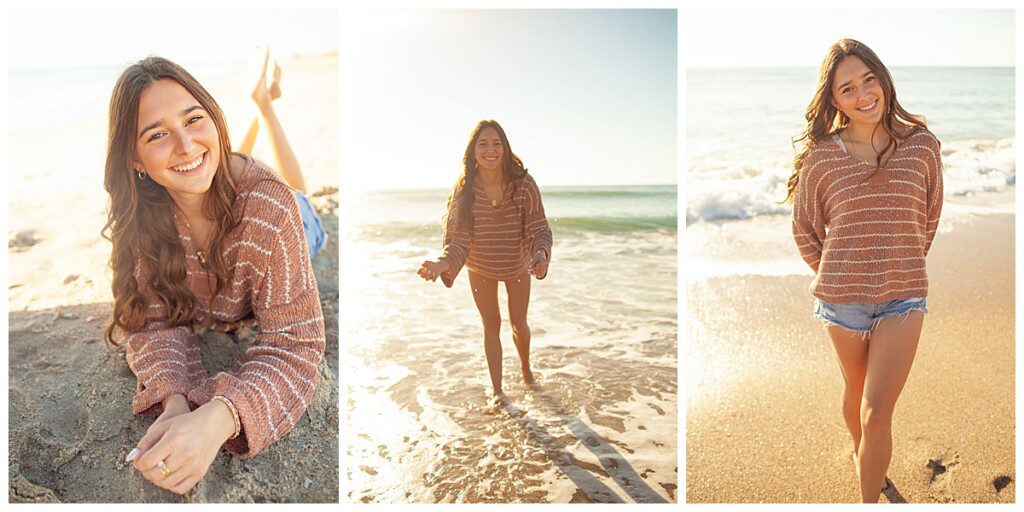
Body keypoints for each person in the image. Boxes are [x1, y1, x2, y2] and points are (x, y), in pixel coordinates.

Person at [102, 52, 326, 495]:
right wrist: (176, 399)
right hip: (214, 180)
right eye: (158, 134)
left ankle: (263, 104)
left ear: (214, 118)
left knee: (299, 195)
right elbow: (150, 321)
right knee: (200, 165)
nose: (184, 144)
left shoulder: (270, 213)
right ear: (136, 160)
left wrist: (219, 416)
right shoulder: (143, 215)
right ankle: (251, 115)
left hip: (294, 220)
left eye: (194, 119)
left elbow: (297, 343)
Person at [787, 39, 943, 503]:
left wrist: (898, 261)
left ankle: (867, 495)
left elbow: (928, 217)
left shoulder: (922, 147)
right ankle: (866, 458)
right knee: (856, 392)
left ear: (883, 77)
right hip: (842, 301)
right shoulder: (822, 158)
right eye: (848, 88)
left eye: (868, 79)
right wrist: (843, 273)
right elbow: (806, 230)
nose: (863, 95)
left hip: (904, 296)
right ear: (835, 101)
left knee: (877, 413)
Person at [417, 120, 553, 398]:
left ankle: (526, 371)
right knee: (491, 326)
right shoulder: (465, 188)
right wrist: (443, 264)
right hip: (480, 266)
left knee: (519, 324)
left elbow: (539, 227)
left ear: (505, 148)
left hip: (518, 263)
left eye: (496, 143)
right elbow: (459, 240)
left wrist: (541, 254)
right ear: (473, 151)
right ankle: (498, 392)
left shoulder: (523, 183)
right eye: (483, 144)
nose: (490, 150)